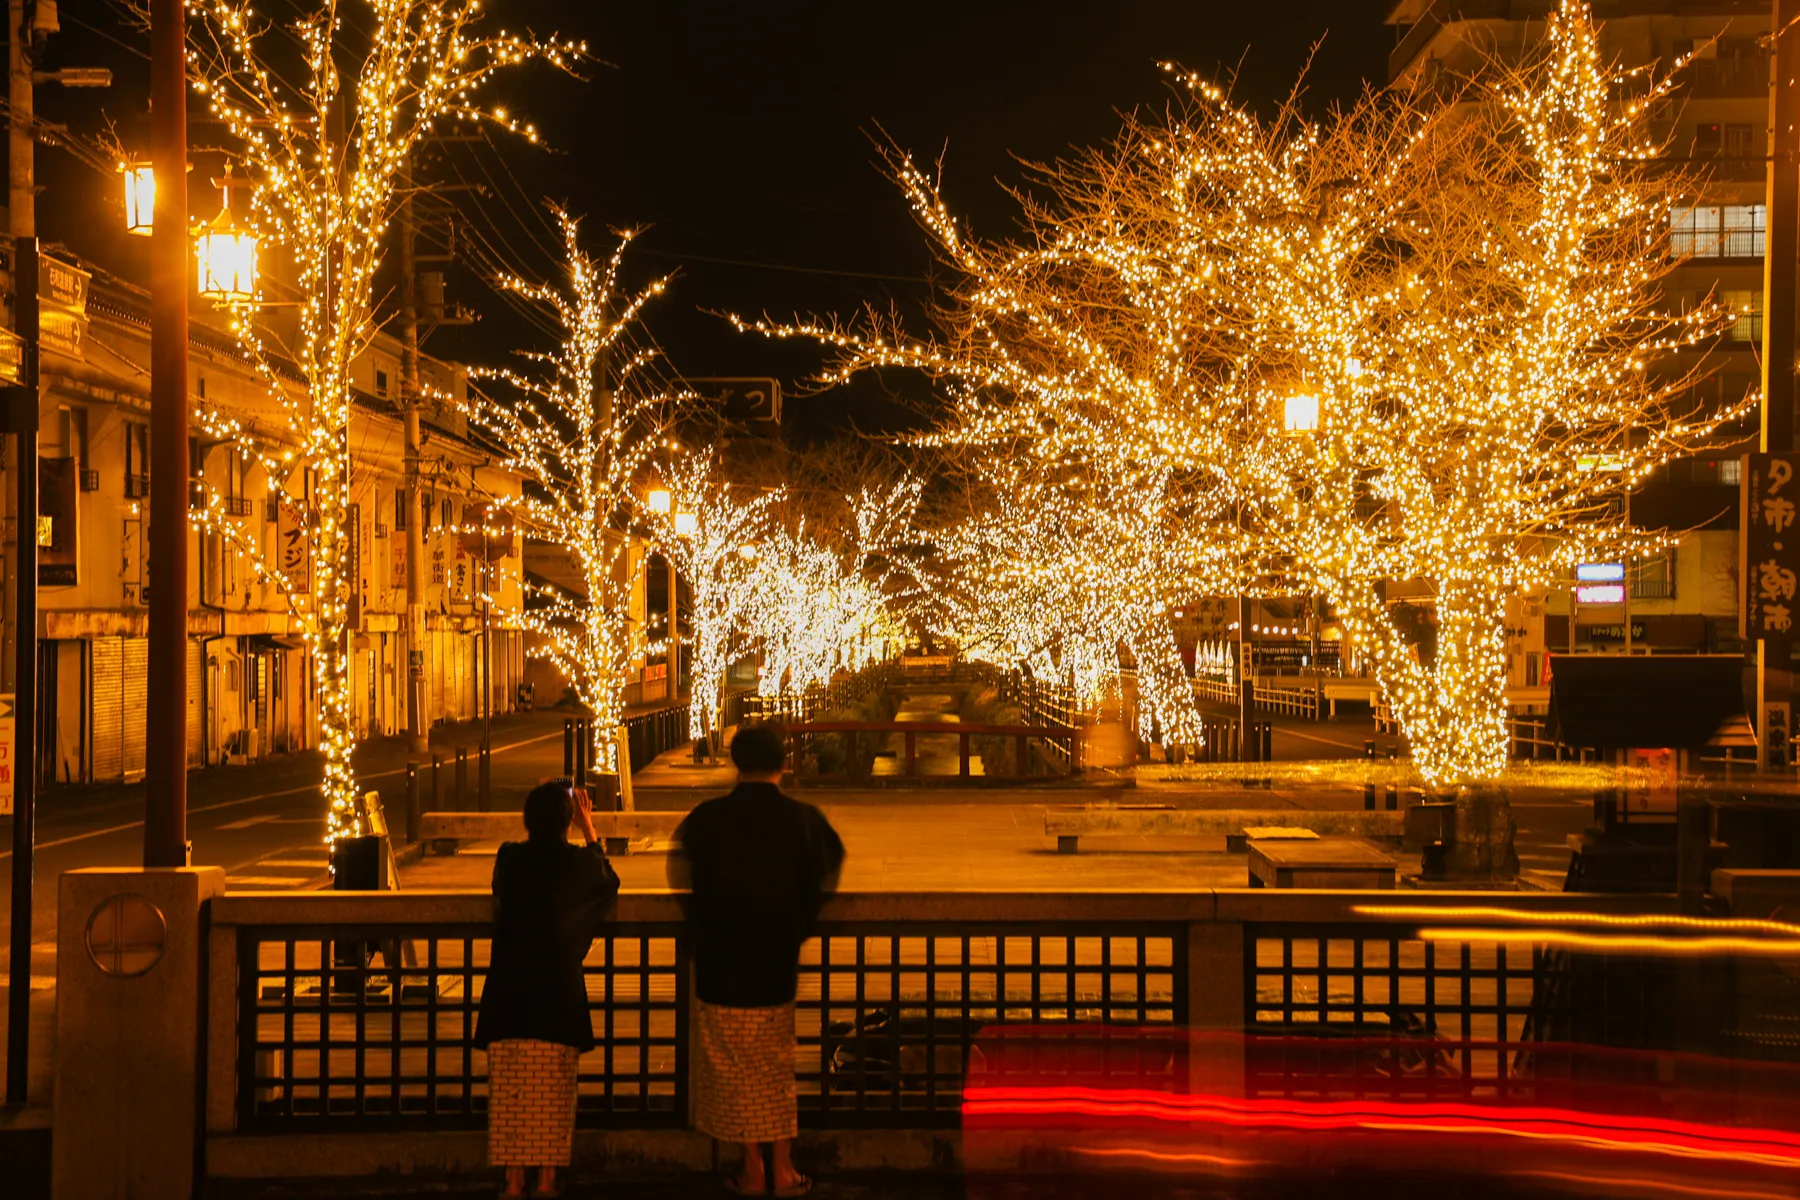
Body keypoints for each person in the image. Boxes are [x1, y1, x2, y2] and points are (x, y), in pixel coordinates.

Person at [669, 722, 845, 1197]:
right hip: (775, 962)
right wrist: (798, 923)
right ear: (784, 764)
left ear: (736, 763)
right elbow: (827, 873)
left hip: (720, 964)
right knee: (774, 1067)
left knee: (730, 1068)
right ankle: (783, 1168)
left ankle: (752, 1169)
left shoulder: (707, 819)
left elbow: (682, 877)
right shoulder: (804, 820)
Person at [475, 780, 621, 1199]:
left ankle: (514, 1179)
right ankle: (548, 1180)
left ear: (527, 820)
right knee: (554, 1092)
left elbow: (501, 892)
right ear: (567, 821)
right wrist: (590, 828)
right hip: (557, 991)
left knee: (510, 1091)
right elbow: (608, 882)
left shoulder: (509, 858)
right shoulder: (579, 864)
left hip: (509, 991)